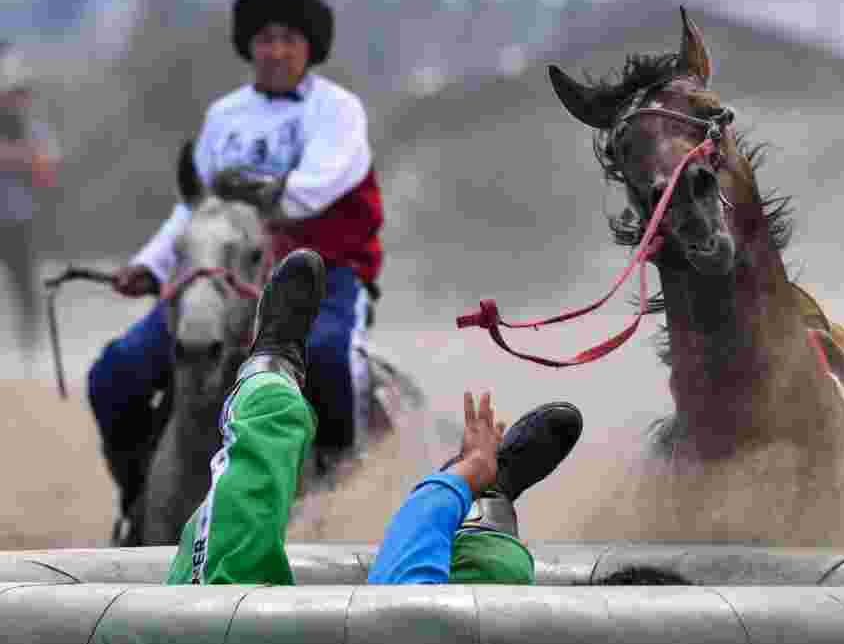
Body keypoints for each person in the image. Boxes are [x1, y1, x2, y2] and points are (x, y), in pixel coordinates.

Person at [88, 0, 384, 539]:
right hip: (220, 277)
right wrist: (150, 265)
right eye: (264, 39)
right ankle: (137, 500)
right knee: (115, 373)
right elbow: (193, 210)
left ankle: (333, 494)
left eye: (287, 38)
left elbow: (318, 188)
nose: (274, 50)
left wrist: (255, 190)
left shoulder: (339, 112)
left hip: (320, 276)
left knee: (322, 356)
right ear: (248, 46)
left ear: (309, 46)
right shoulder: (224, 115)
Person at [166, 248, 584, 586]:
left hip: (308, 266)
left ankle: (271, 376)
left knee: (120, 373)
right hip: (231, 277)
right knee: (492, 572)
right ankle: (485, 500)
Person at [0, 42, 60, 363]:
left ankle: (29, 357)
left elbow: (46, 172)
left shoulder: (32, 129)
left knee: (26, 292)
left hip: (18, 223)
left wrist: (14, 156)